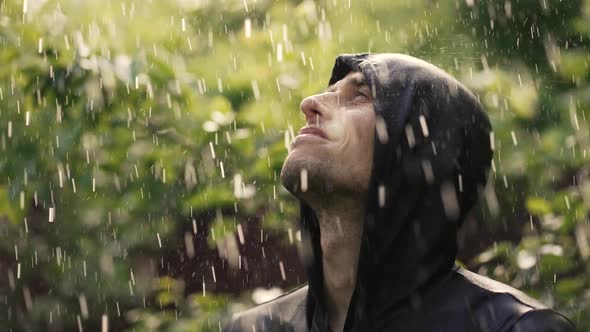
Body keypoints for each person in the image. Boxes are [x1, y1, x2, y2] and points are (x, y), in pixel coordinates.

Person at [223, 54, 576, 331]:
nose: (309, 103)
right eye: (329, 92)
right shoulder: (257, 328)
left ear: (421, 152)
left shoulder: (513, 328)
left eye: (358, 95)